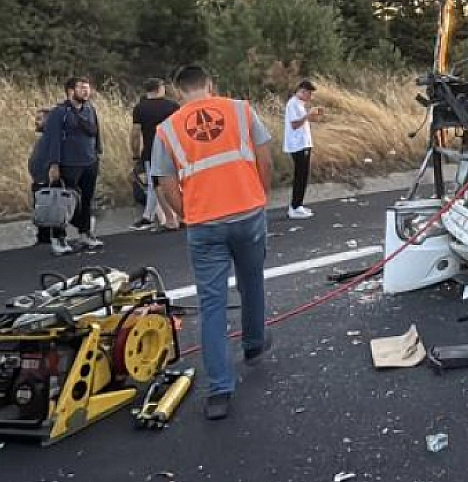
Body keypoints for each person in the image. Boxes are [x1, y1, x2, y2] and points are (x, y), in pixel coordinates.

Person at [150, 64, 275, 421]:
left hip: (205, 224)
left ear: (177, 92)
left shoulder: (168, 129)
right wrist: (260, 193)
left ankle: (220, 390)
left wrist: (186, 213)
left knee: (212, 305)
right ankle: (253, 345)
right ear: (210, 84)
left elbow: (165, 184)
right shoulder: (240, 109)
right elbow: (264, 156)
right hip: (248, 213)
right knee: (252, 281)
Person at [33, 77, 103, 255]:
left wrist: (97, 154)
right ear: (71, 91)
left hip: (89, 162)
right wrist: (53, 164)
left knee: (87, 200)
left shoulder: (90, 109)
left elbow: (96, 132)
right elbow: (53, 139)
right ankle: (58, 238)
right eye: (81, 88)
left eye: (87, 88)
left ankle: (85, 234)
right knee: (62, 201)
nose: (86, 91)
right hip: (68, 164)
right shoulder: (60, 112)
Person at [130, 79, 180, 231]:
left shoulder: (140, 108)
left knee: (156, 185)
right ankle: (180, 216)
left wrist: (135, 153)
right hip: (173, 149)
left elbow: (135, 133)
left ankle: (168, 218)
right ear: (160, 88)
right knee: (176, 183)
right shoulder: (173, 106)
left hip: (151, 151)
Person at [282, 80, 324, 220]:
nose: (310, 96)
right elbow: (294, 124)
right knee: (300, 175)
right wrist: (307, 115)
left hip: (304, 143)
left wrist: (313, 116)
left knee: (304, 175)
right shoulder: (292, 104)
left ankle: (299, 205)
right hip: (297, 145)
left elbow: (303, 121)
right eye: (309, 93)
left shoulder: (300, 104)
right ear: (302, 91)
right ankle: (294, 207)